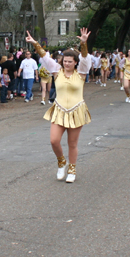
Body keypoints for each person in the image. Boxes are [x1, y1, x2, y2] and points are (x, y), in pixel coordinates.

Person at [26, 28, 91, 183]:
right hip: (60, 110)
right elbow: (45, 57)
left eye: (70, 61)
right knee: (54, 140)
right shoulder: (56, 71)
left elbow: (85, 58)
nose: (67, 63)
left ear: (75, 62)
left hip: (76, 110)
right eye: (65, 61)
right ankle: (61, 161)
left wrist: (83, 43)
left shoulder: (81, 73)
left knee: (72, 143)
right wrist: (35, 43)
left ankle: (72, 169)